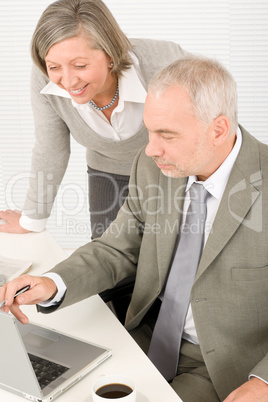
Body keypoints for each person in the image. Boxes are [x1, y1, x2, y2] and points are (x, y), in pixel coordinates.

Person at [1, 55, 268, 402]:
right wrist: (51, 283)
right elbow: (117, 247)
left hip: (220, 367)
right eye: (149, 130)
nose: (151, 149)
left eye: (167, 135)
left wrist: (262, 382)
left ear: (218, 130)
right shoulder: (154, 165)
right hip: (141, 336)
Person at [0, 0, 188, 239]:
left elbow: (216, 112)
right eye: (54, 66)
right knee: (108, 256)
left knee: (170, 255)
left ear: (110, 53)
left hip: (175, 168)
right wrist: (32, 219)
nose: (68, 82)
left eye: (80, 65)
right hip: (108, 171)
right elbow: (50, 149)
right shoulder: (45, 80)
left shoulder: (166, 65)